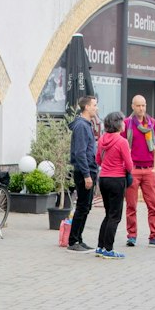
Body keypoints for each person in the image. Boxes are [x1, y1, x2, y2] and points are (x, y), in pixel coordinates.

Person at [121, 94, 155, 247]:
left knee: (153, 205)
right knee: (131, 205)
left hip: (148, 170)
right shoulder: (126, 123)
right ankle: (131, 236)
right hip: (133, 169)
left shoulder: (152, 123)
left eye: (143, 105)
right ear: (132, 106)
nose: (141, 108)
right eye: (138, 105)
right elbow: (122, 146)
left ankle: (154, 236)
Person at [93, 111, 131, 258]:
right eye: (122, 121)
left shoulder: (102, 140)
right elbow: (129, 164)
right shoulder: (122, 142)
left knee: (108, 214)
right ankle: (108, 249)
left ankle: (100, 247)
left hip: (103, 179)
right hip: (117, 180)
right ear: (117, 124)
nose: (124, 124)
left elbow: (98, 160)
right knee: (115, 216)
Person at [66, 95, 98, 252]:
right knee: (82, 207)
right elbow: (80, 153)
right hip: (84, 172)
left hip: (89, 170)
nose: (96, 108)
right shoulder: (81, 126)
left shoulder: (86, 124)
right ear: (87, 107)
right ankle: (73, 241)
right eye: (94, 105)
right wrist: (87, 175)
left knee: (86, 207)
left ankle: (79, 238)